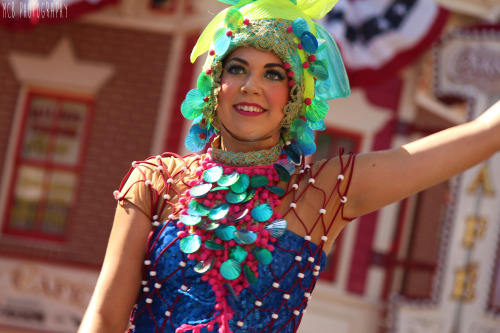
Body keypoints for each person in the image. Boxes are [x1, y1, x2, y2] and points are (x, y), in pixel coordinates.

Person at [78, 0, 500, 332]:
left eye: (274, 74)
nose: (251, 85)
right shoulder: (155, 182)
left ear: (295, 97)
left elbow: (484, 132)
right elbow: (105, 319)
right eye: (237, 68)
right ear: (214, 83)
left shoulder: (324, 193)